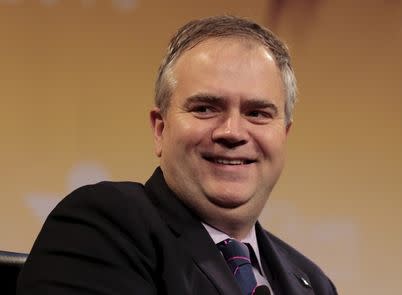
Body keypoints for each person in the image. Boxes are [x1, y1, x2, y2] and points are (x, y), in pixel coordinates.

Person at [17, 15, 338, 295]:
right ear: (160, 128)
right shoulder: (101, 228)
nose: (233, 132)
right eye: (205, 108)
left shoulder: (312, 283)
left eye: (257, 113)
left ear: (283, 135)